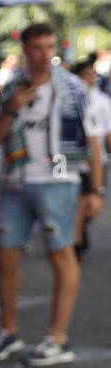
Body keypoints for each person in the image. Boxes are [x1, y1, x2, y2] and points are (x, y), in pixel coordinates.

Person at [0, 24, 104, 367]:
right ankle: (9, 332)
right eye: (37, 47)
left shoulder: (75, 88)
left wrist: (96, 190)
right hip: (15, 183)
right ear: (25, 49)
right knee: (7, 257)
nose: (44, 54)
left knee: (61, 255)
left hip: (60, 181)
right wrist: (11, 108)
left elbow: (93, 143)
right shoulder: (11, 88)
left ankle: (57, 338)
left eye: (49, 46)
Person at [73, 55, 111, 257]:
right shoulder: (70, 97)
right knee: (79, 203)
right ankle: (76, 242)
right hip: (75, 163)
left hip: (97, 159)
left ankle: (80, 231)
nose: (91, 78)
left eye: (92, 74)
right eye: (86, 74)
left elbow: (104, 135)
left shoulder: (102, 100)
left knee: (93, 205)